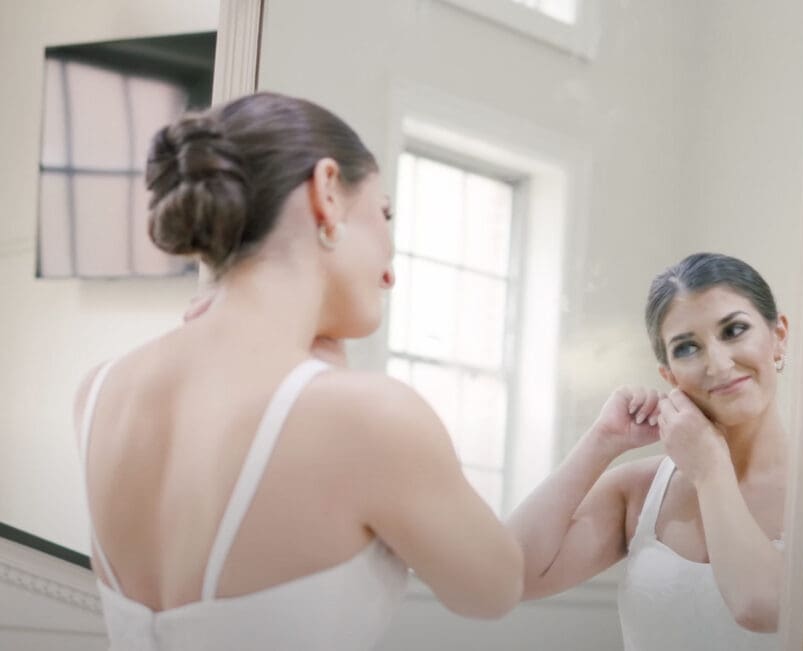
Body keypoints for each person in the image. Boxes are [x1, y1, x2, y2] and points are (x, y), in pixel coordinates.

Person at [72, 92, 523, 651]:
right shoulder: (369, 419)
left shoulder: (99, 392)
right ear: (327, 190)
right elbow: (495, 590)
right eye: (384, 214)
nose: (390, 271)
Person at [508, 252, 788, 650]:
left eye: (734, 330)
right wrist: (602, 440)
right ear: (669, 375)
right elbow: (508, 577)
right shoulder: (640, 490)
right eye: (688, 348)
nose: (719, 364)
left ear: (779, 336)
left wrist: (710, 469)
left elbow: (759, 606)